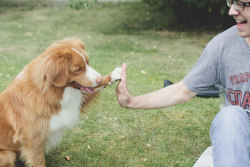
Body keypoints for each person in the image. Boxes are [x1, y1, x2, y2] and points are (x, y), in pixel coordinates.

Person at [115, 0, 250, 166]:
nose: (232, 11)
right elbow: (182, 90)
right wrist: (130, 102)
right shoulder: (223, 46)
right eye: (232, 2)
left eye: (242, 4)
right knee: (230, 115)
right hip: (236, 142)